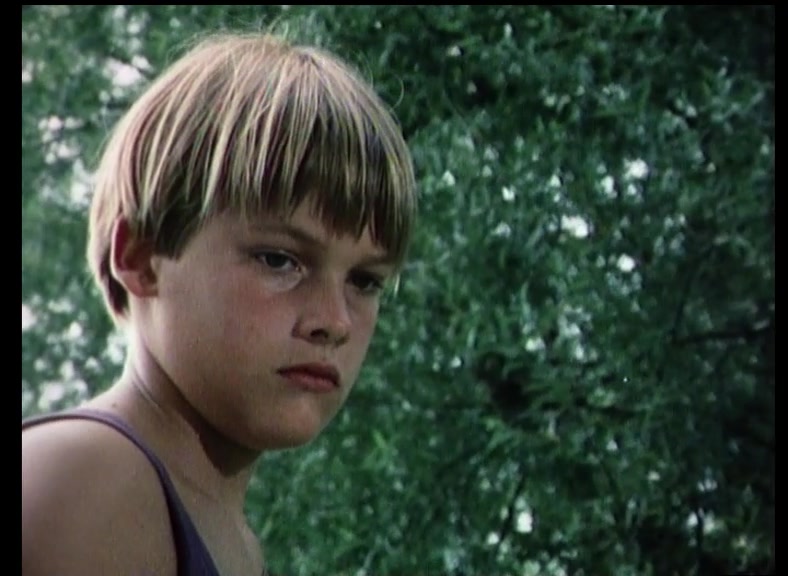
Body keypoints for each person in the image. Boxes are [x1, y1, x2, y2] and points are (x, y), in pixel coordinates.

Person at [22, 30, 417, 576]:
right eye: (279, 260)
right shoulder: (86, 478)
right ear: (142, 258)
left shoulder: (231, 538)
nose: (334, 321)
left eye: (365, 281)